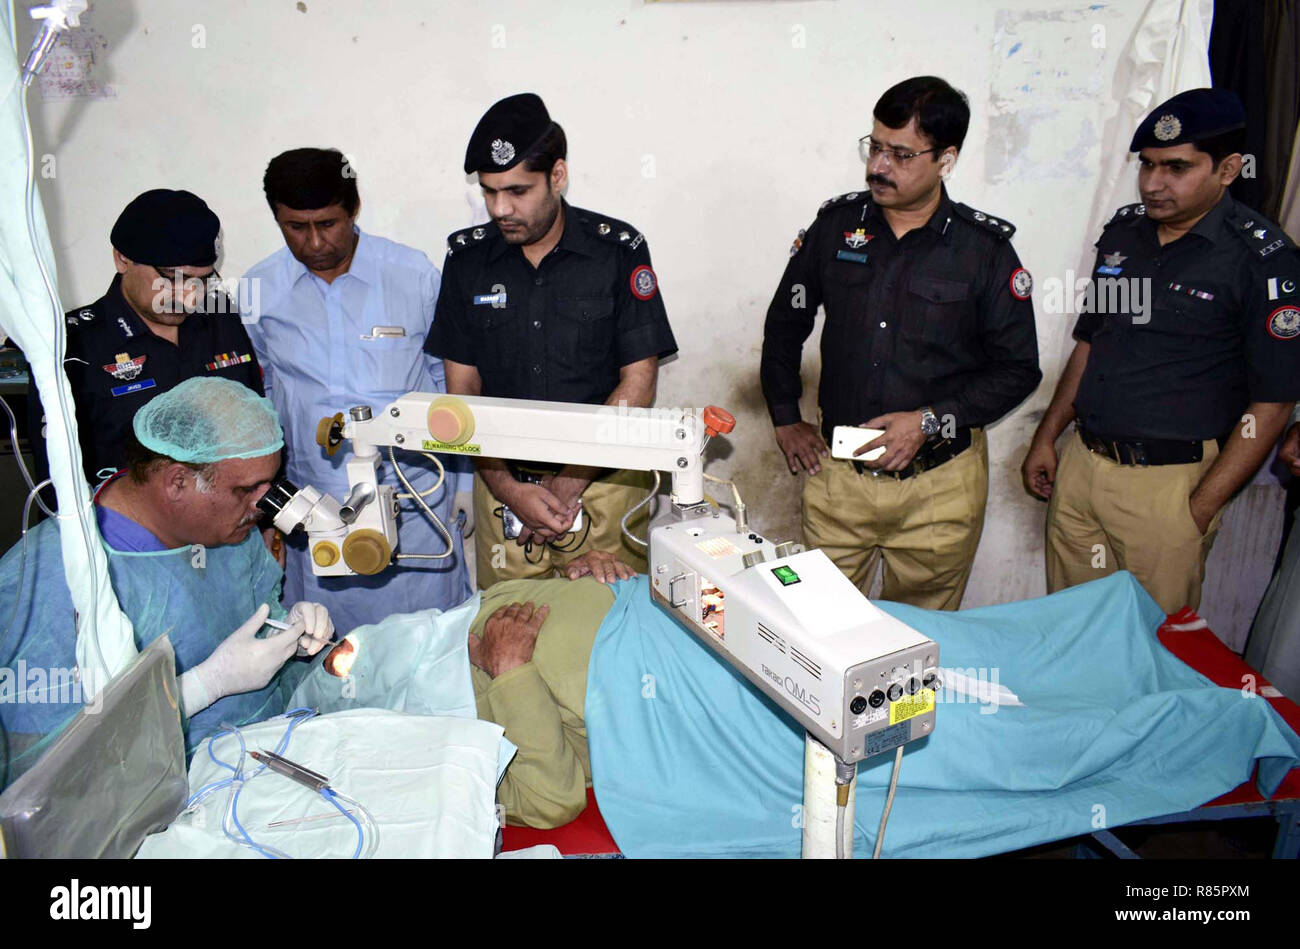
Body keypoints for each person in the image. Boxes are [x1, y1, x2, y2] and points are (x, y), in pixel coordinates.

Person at [760, 76, 1041, 610]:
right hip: (839, 478)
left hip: (940, 486)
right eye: (875, 147)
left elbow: (1018, 370)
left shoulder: (983, 251)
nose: (878, 167)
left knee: (921, 639)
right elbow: (785, 323)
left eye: (901, 154)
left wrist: (930, 419)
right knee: (816, 626)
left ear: (946, 158)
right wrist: (783, 415)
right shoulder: (837, 226)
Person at [1022, 88, 1300, 614]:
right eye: (1147, 166)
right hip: (1083, 469)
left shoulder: (1262, 260)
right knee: (1071, 628)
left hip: (1170, 487)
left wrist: (1199, 507)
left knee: (1151, 650)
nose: (1153, 184)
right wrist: (1047, 435)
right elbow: (1091, 343)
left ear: (1228, 169)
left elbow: (1274, 401)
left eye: (1176, 167)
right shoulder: (1126, 236)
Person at [0, 378, 333, 789]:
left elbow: (256, 614)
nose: (262, 507)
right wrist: (200, 687)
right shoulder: (49, 583)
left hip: (268, 756)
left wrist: (290, 635)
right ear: (177, 481)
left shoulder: (228, 534)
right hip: (155, 802)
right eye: (247, 490)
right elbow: (47, 773)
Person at [424, 93, 679, 588]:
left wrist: (568, 482)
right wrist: (507, 487)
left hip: (603, 485)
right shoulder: (467, 262)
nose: (501, 208)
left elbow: (639, 384)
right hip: (502, 487)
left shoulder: (617, 251)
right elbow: (462, 394)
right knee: (504, 633)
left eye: (517, 191)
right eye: (489, 191)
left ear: (557, 176)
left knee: (609, 634)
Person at [241, 148, 471, 634]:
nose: (315, 241)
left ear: (354, 208)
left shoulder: (413, 275)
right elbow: (257, 398)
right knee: (333, 651)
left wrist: (464, 484)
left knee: (426, 644)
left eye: (328, 223)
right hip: (315, 509)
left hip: (416, 501)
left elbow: (449, 386)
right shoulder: (260, 291)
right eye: (295, 227)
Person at [28, 189, 263, 485]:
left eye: (202, 280)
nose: (189, 298)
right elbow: (57, 482)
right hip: (121, 528)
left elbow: (257, 427)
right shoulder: (72, 346)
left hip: (230, 523)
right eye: (172, 278)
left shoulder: (222, 320)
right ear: (122, 259)